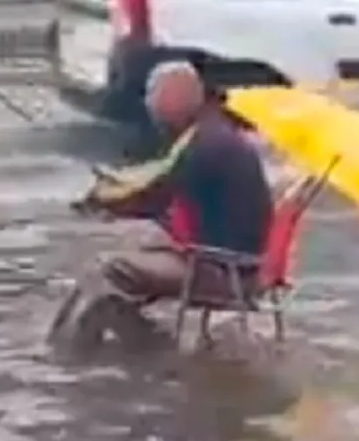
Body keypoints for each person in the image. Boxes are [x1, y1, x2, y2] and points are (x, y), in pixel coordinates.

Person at [47, 61, 274, 354]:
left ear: (174, 97)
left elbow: (154, 194)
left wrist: (102, 201)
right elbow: (160, 179)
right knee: (124, 260)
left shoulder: (206, 143)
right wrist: (119, 189)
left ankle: (82, 352)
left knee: (107, 273)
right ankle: (80, 345)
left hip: (221, 270)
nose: (149, 105)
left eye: (152, 96)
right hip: (229, 261)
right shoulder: (213, 133)